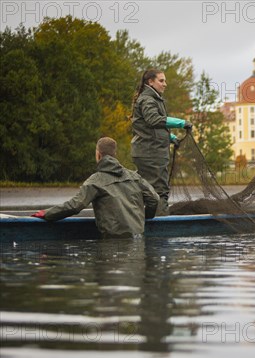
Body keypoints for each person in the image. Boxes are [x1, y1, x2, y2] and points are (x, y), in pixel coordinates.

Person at [31, 137, 160, 238]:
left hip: (113, 242)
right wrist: (144, 217)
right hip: (138, 238)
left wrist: (47, 213)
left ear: (98, 155)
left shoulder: (95, 181)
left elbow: (75, 205)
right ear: (115, 154)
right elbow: (154, 199)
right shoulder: (135, 177)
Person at [130, 69, 193, 215]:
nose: (165, 84)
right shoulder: (148, 99)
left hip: (149, 152)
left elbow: (148, 127)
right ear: (150, 82)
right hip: (151, 154)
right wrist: (181, 123)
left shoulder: (152, 98)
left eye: (165, 81)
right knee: (159, 191)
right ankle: (161, 224)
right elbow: (153, 120)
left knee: (147, 189)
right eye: (161, 81)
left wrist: (171, 138)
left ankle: (141, 218)